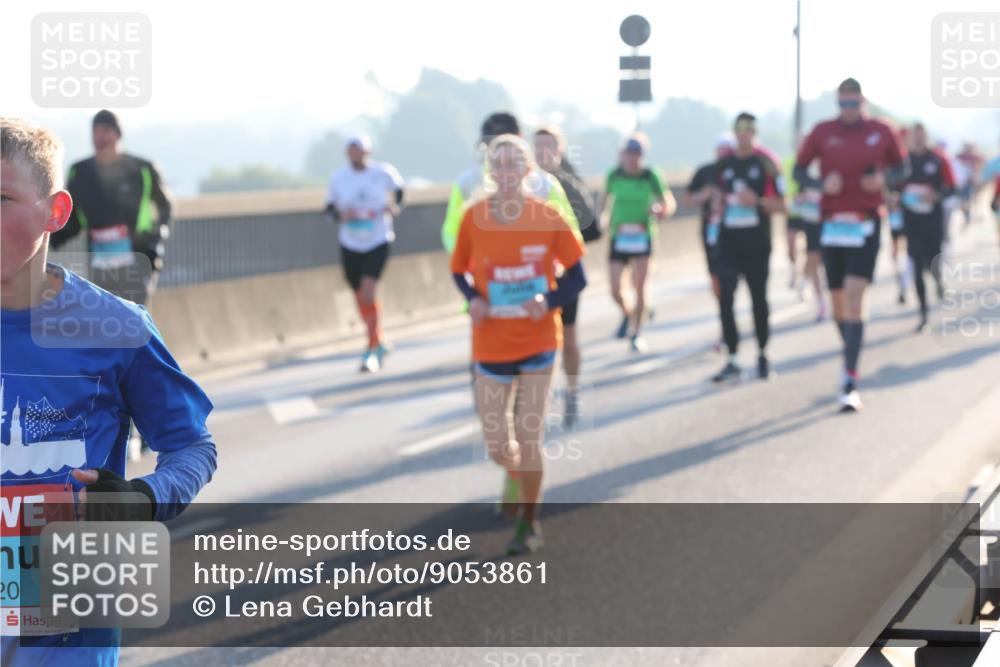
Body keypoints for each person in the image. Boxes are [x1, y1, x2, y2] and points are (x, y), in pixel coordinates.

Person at [1, 117, 217, 666]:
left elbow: (192, 447)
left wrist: (143, 499)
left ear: (56, 212)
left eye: (1, 197)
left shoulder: (117, 326)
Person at [450, 134, 586, 555]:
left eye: (515, 164)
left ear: (528, 172)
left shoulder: (546, 216)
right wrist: (473, 299)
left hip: (539, 340)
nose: (506, 171)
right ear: (490, 172)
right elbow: (459, 271)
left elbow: (577, 277)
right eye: (499, 163)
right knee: (497, 446)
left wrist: (547, 299)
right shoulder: (474, 218)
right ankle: (514, 474)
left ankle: (528, 521)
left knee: (529, 439)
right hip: (491, 344)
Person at [795, 78, 907, 413]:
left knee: (857, 297)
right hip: (832, 225)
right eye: (843, 104)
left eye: (854, 104)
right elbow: (799, 171)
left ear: (864, 103)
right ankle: (851, 350)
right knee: (839, 304)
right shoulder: (822, 131)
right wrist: (818, 182)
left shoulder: (882, 131)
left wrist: (884, 181)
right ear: (837, 104)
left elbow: (903, 169)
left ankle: (849, 380)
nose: (848, 111)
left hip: (866, 221)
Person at [50, 110, 172, 308]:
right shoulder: (80, 171)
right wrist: (46, 238)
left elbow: (165, 207)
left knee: (135, 317)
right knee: (104, 315)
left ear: (118, 134)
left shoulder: (142, 168)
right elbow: (72, 216)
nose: (99, 137)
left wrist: (155, 237)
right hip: (100, 262)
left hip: (138, 258)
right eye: (95, 131)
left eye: (105, 130)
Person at [710, 113, 785, 382]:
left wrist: (758, 202)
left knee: (758, 301)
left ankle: (763, 354)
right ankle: (732, 358)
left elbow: (783, 205)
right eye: (739, 130)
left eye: (749, 130)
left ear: (754, 132)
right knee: (725, 300)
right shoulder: (723, 164)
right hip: (728, 243)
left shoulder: (766, 163)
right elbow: (714, 195)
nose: (744, 134)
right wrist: (718, 201)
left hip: (757, 243)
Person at [533, 126, 598, 428]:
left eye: (550, 147)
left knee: (568, 340)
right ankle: (536, 403)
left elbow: (591, 229)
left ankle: (572, 391)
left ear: (560, 151)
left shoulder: (568, 187)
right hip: (531, 278)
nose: (543, 152)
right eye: (538, 146)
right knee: (535, 342)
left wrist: (561, 255)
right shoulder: (522, 185)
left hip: (563, 275)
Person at [325, 134, 405, 373]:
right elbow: (328, 209)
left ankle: (371, 347)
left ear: (368, 151)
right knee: (360, 296)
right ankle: (378, 339)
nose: (356, 154)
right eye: (351, 150)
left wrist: (395, 207)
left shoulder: (382, 172)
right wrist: (342, 216)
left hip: (377, 239)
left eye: (360, 149)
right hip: (351, 242)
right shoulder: (339, 178)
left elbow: (400, 191)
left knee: (369, 291)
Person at [602, 133, 676, 353]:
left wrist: (661, 210)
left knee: (640, 285)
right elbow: (604, 201)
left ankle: (637, 333)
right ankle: (629, 313)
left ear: (642, 156)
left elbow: (668, 201)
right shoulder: (614, 175)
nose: (632, 158)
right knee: (615, 288)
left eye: (637, 154)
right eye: (629, 154)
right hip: (620, 236)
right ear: (622, 155)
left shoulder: (651, 175)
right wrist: (603, 218)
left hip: (643, 235)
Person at [896, 123, 955, 332]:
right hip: (912, 221)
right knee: (915, 264)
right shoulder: (902, 162)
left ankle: (939, 281)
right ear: (910, 138)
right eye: (915, 137)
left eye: (922, 136)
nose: (919, 140)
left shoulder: (938, 159)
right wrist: (896, 198)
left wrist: (936, 195)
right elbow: (892, 187)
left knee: (932, 261)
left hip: (933, 220)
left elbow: (952, 189)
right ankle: (923, 315)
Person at [686, 134, 733, 349]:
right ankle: (726, 328)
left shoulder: (739, 169)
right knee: (718, 285)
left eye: (727, 150)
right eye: (720, 150)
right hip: (712, 235)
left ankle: (730, 331)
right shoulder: (705, 172)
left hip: (737, 236)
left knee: (731, 285)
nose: (723, 154)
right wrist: (704, 195)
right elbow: (687, 199)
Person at [783, 153, 828, 321]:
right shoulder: (802, 174)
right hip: (811, 224)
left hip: (831, 225)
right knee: (813, 262)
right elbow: (795, 200)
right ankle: (821, 303)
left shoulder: (830, 169)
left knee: (829, 265)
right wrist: (799, 200)